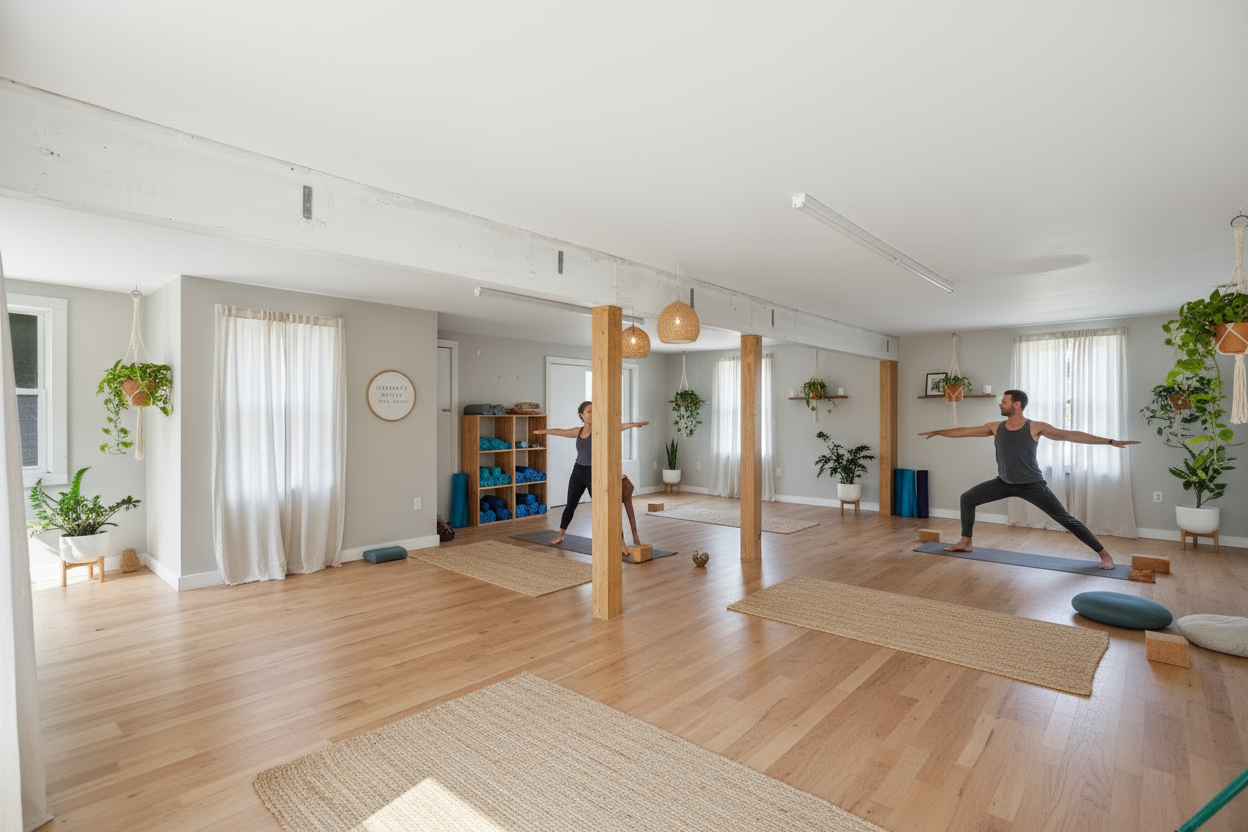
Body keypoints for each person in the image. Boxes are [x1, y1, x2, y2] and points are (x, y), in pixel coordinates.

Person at [918, 389, 1139, 569]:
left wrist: (1110, 441)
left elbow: (1071, 435)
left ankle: (1105, 555)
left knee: (1066, 520)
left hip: (1032, 485)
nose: (1000, 405)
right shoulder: (995, 427)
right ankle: (966, 542)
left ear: (1016, 404)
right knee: (967, 498)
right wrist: (939, 431)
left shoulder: (1035, 427)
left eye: (1004, 402)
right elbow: (965, 431)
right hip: (1004, 483)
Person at [534, 401, 649, 555]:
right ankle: (560, 535)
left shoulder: (600, 430)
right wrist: (544, 431)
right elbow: (561, 432)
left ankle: (621, 543)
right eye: (589, 411)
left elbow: (617, 427)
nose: (592, 414)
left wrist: (633, 424)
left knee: (605, 509)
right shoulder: (578, 431)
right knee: (570, 505)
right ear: (582, 415)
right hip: (578, 472)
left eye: (594, 411)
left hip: (595, 473)